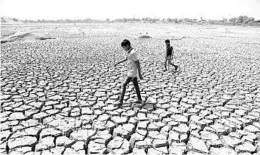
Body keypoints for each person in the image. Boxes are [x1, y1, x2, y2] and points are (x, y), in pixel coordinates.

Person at [114, 39, 143, 107]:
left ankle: (120, 102)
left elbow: (137, 63)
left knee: (123, 85)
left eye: (124, 47)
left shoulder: (133, 53)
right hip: (130, 71)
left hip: (132, 73)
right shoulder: (128, 51)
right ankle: (139, 99)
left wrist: (139, 74)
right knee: (136, 86)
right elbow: (126, 58)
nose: (123, 48)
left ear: (127, 45)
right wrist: (118, 62)